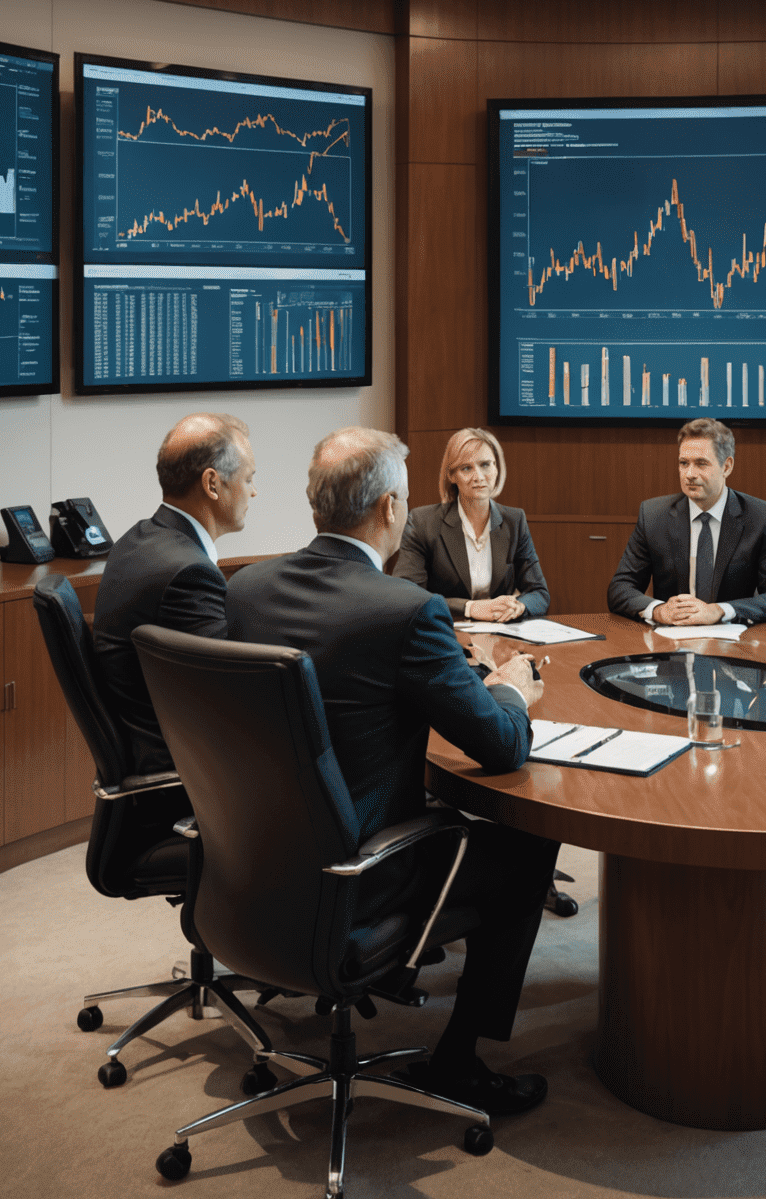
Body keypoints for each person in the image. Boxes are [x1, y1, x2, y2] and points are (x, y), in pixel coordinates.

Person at [225, 426, 559, 1117]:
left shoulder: (247, 590)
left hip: (254, 862)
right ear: (387, 511)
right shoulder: (405, 612)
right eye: (405, 498)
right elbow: (501, 745)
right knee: (527, 845)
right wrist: (510, 689)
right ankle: (460, 1061)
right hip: (361, 874)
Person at [94, 413, 257, 776]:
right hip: (185, 772)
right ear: (213, 484)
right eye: (249, 479)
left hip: (149, 746)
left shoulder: (138, 539)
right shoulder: (189, 574)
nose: (254, 492)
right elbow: (231, 698)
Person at [606, 417, 766, 626]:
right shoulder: (653, 516)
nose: (689, 474)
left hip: (734, 645)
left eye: (701, 464)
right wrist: (659, 611)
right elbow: (620, 588)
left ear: (727, 466)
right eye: (683, 463)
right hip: (671, 642)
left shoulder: (761, 518)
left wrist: (719, 611)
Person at [395, 427, 549, 621]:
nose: (478, 477)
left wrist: (518, 607)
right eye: (466, 468)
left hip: (502, 634)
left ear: (496, 468)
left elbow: (539, 593)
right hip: (445, 633)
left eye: (485, 465)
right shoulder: (422, 522)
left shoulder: (515, 520)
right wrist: (469, 608)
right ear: (452, 476)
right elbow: (408, 596)